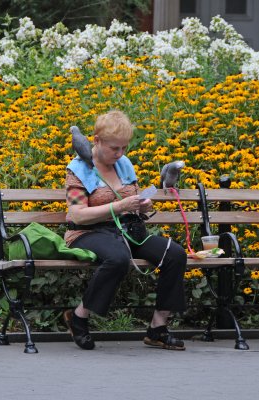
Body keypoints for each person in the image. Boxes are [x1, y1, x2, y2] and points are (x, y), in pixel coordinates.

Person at [64, 110, 187, 351]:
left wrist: (142, 205)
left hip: (129, 230)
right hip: (87, 232)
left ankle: (157, 328)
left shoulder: (124, 165)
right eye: (114, 148)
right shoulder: (78, 169)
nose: (120, 154)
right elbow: (76, 214)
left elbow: (132, 198)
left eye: (124, 148)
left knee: (175, 254)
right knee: (118, 258)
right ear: (96, 140)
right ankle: (79, 317)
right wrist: (119, 206)